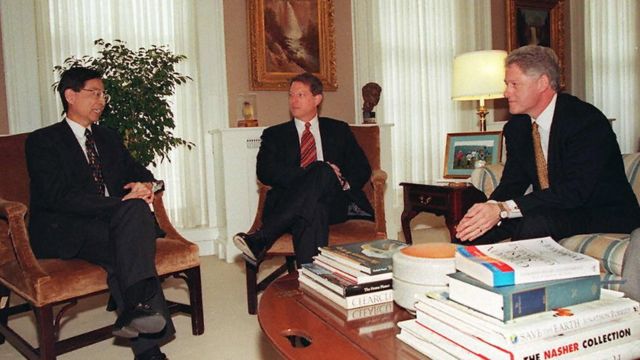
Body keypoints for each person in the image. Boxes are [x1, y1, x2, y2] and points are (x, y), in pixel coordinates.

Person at [25, 67, 173, 360]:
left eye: (103, 94)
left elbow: (142, 173)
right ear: (70, 95)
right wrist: (121, 204)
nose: (102, 100)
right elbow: (58, 197)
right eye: (95, 93)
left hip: (111, 222)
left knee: (128, 233)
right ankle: (147, 332)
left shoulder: (108, 138)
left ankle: (137, 319)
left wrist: (145, 185)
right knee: (129, 233)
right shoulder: (43, 141)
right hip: (63, 227)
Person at [456, 45, 640, 245]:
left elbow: (574, 191)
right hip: (552, 208)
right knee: (468, 232)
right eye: (506, 84)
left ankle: (511, 275)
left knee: (535, 224)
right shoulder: (517, 127)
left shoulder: (586, 122)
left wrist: (504, 209)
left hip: (600, 212)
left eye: (514, 84)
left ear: (542, 83)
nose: (506, 92)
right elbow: (513, 182)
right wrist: (489, 208)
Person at [233, 72, 374, 265]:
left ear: (317, 99)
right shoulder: (275, 134)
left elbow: (362, 167)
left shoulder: (338, 129)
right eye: (291, 95)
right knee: (314, 206)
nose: (293, 100)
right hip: (291, 202)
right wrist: (309, 173)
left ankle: (263, 237)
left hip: (336, 202)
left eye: (300, 95)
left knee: (322, 172)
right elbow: (265, 171)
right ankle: (312, 283)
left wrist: (342, 181)